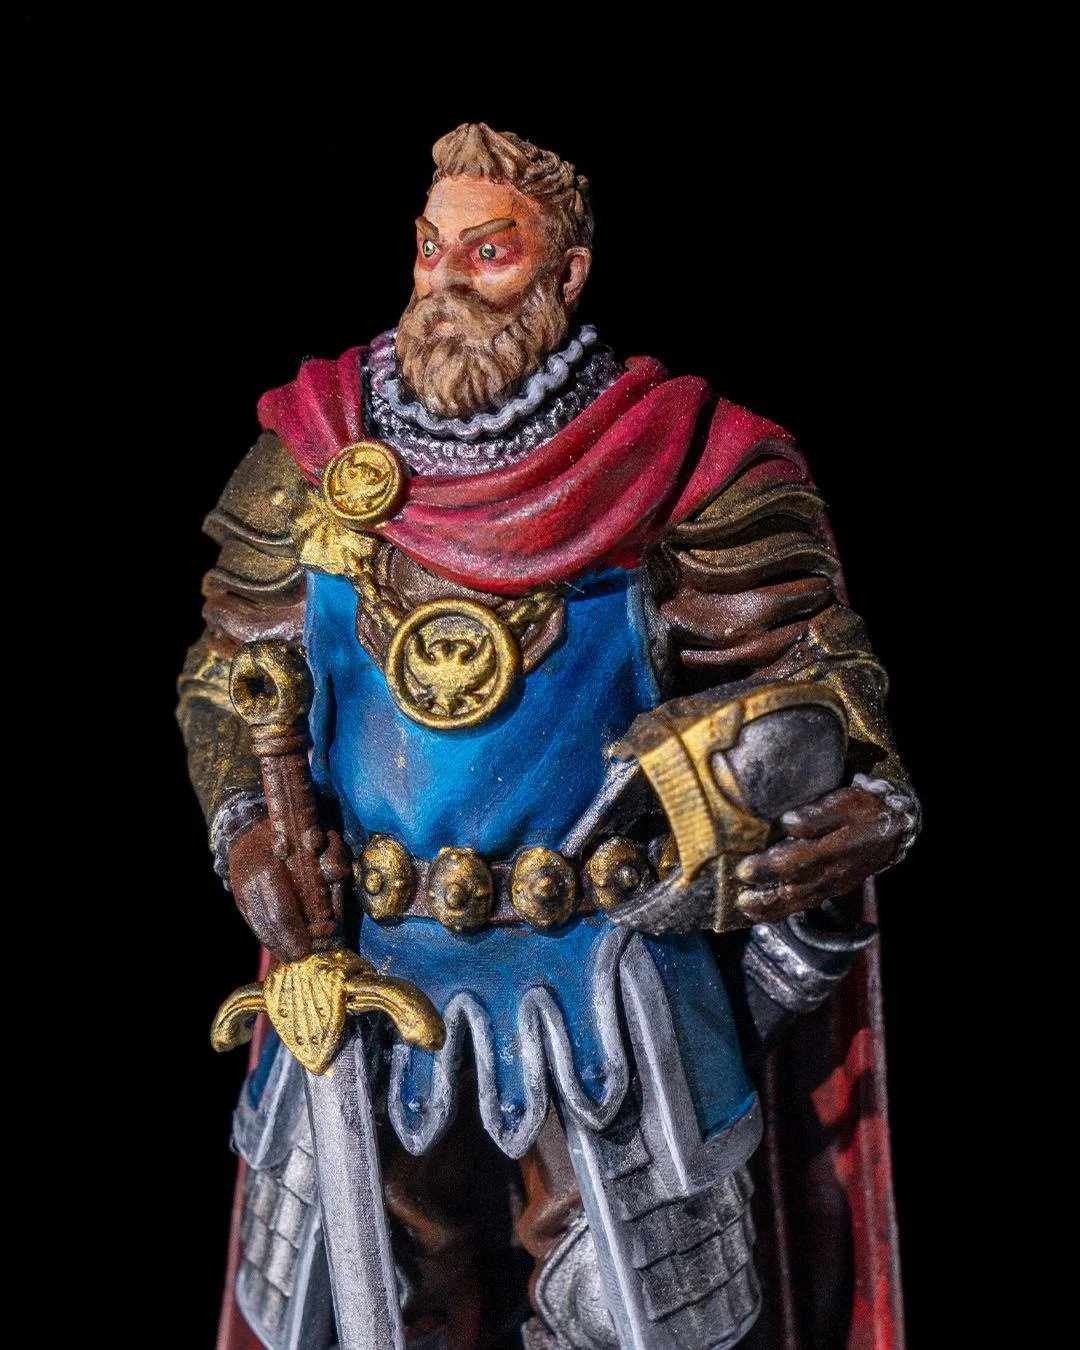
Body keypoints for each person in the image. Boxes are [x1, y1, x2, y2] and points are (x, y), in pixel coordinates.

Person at [178, 122, 919, 1350]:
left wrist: (866, 799)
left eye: (490, 253)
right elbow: (227, 672)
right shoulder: (317, 452)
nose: (448, 284)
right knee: (375, 1299)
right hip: (369, 968)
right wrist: (248, 832)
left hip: (610, 976)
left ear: (566, 273)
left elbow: (822, 679)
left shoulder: (680, 463)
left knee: (625, 1310)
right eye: (431, 250)